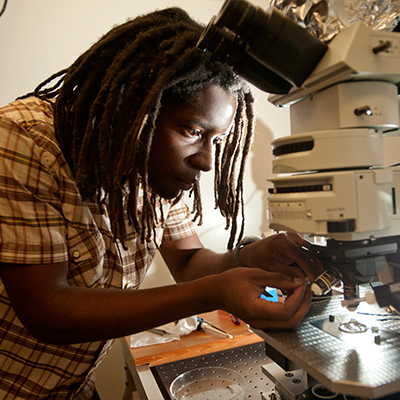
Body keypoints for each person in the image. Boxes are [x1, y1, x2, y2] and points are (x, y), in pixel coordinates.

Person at [0, 6, 323, 400]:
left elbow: (189, 263)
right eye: (192, 131)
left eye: (216, 140)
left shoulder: (153, 172)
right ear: (132, 105)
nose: (206, 161)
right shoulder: (21, 141)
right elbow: (47, 310)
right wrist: (215, 292)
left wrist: (252, 256)